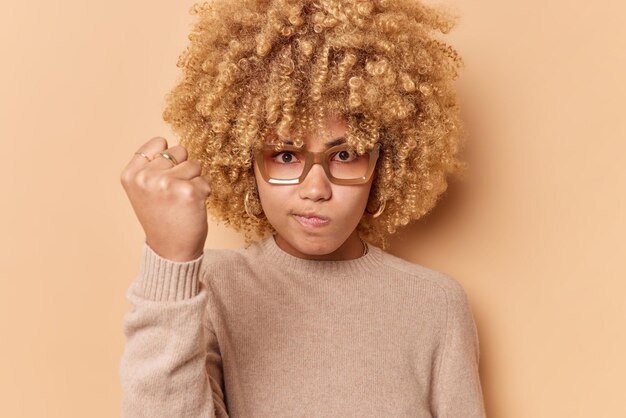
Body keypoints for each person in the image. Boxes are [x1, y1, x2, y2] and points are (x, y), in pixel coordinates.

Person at [119, 0, 486, 417]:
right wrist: (171, 261)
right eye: (286, 155)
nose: (316, 189)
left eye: (346, 155)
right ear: (244, 160)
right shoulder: (210, 288)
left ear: (385, 165)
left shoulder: (434, 304)